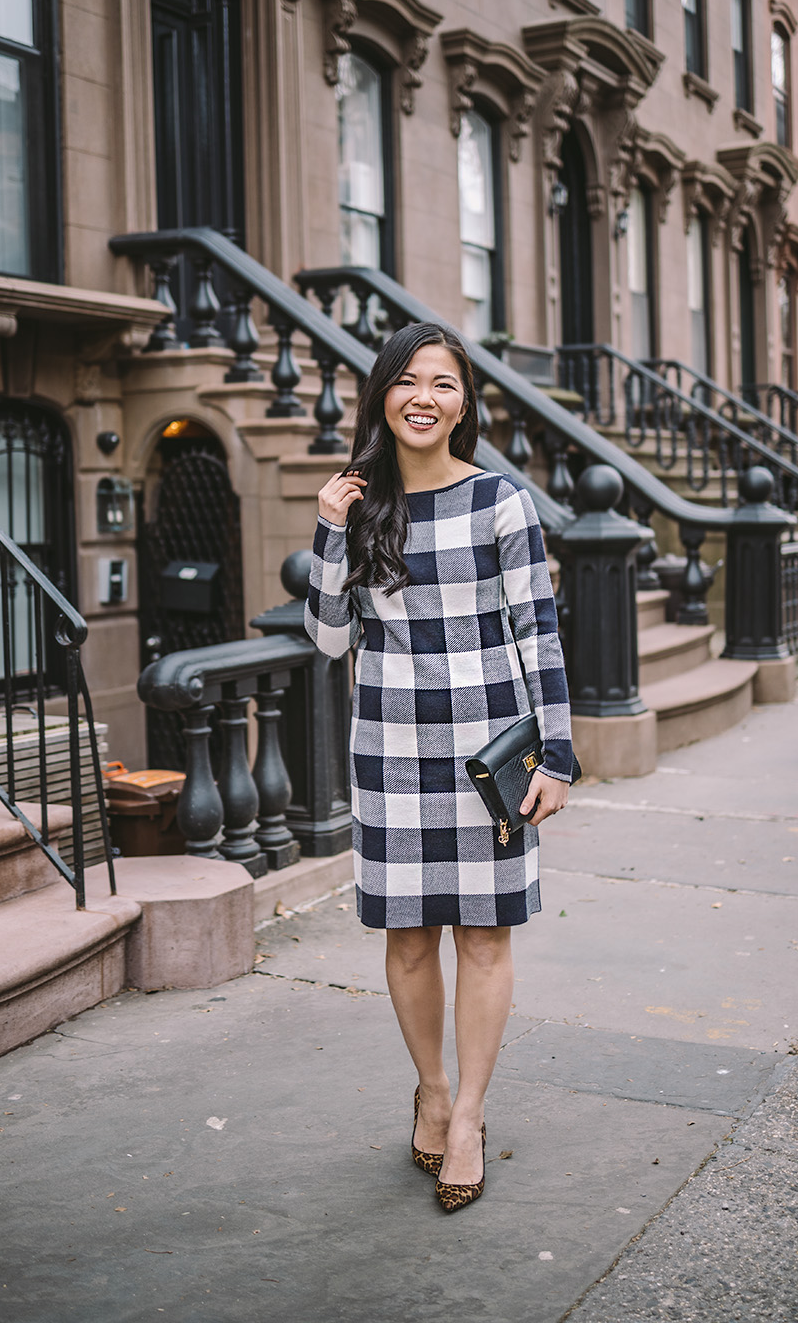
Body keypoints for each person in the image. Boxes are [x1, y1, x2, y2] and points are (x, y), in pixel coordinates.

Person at [305, 321, 574, 1212]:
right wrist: (331, 531)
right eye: (409, 380)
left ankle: (468, 1115)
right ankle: (428, 1087)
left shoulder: (500, 501)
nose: (425, 397)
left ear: (464, 405)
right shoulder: (361, 503)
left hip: (486, 758)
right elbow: (327, 637)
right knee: (410, 937)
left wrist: (558, 755)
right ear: (384, 394)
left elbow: (539, 632)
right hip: (387, 752)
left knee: (486, 936)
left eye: (445, 384)